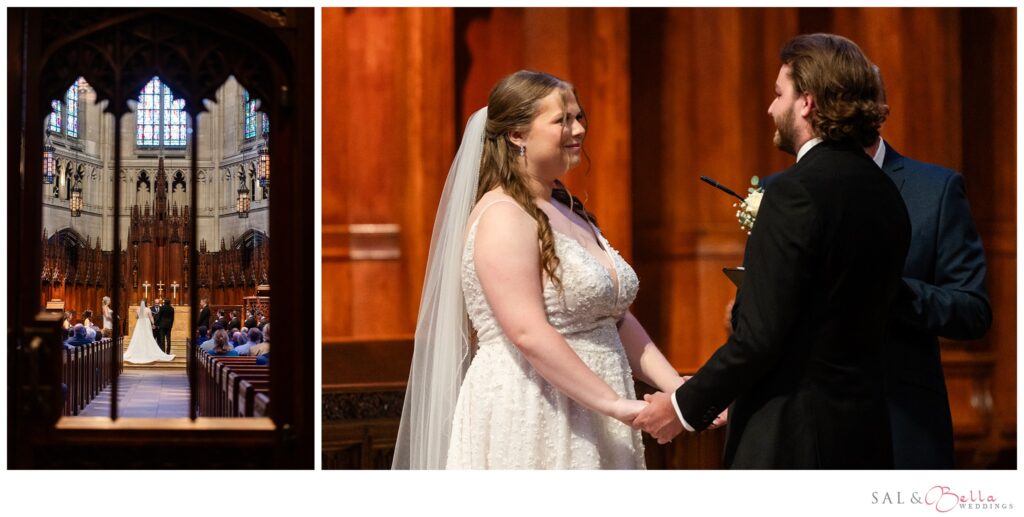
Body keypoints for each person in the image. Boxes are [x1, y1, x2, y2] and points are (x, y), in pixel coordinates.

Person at [634, 33, 911, 468]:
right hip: (864, 434)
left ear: (807, 103)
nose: (770, 108)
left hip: (794, 438)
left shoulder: (795, 193)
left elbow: (760, 338)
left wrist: (682, 407)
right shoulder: (885, 192)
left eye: (779, 94)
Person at [393, 70, 684, 469]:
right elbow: (527, 331)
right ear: (517, 134)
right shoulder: (503, 214)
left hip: (597, 403)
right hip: (534, 405)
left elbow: (613, 317)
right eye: (562, 120)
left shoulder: (568, 209)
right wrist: (615, 404)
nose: (578, 129)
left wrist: (678, 390)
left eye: (579, 117)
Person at [124, 300, 176, 364]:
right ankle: (149, 351)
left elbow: (137, 317)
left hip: (140, 324)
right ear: (146, 303)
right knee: (148, 336)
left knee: (139, 337)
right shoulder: (148, 309)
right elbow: (151, 317)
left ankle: (140, 351)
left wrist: (140, 317)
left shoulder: (138, 309)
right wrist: (153, 324)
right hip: (146, 323)